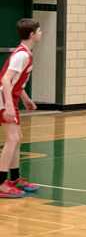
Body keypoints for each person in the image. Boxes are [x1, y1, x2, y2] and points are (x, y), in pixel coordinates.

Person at [0, 19, 42, 198]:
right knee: (12, 139)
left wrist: (26, 99)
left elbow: (17, 81)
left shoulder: (25, 53)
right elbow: (5, 79)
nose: (41, 33)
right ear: (32, 34)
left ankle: (15, 178)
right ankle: (1, 183)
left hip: (10, 97)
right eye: (39, 31)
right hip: (3, 98)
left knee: (17, 139)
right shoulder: (22, 55)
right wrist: (8, 105)